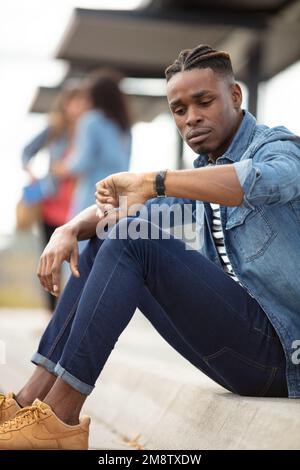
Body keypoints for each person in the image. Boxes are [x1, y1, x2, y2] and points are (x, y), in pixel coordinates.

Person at [1, 44, 300, 450]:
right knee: (115, 233)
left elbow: (260, 181)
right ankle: (27, 403)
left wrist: (155, 181)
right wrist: (69, 227)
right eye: (179, 110)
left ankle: (59, 420)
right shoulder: (202, 174)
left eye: (203, 101)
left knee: (130, 238)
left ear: (234, 96)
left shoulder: (277, 147)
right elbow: (131, 208)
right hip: (245, 351)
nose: (191, 117)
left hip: (287, 357)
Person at [21, 85, 89, 311]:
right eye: (75, 102)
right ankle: (52, 315)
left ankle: (71, 312)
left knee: (77, 261)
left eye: (83, 102)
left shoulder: (90, 131)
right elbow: (26, 151)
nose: (79, 107)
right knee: (51, 262)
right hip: (52, 202)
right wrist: (33, 177)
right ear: (66, 104)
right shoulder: (54, 129)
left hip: (79, 204)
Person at [51, 69, 132, 218]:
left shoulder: (91, 120)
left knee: (80, 237)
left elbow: (82, 161)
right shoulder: (124, 126)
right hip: (119, 197)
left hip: (93, 195)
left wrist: (62, 168)